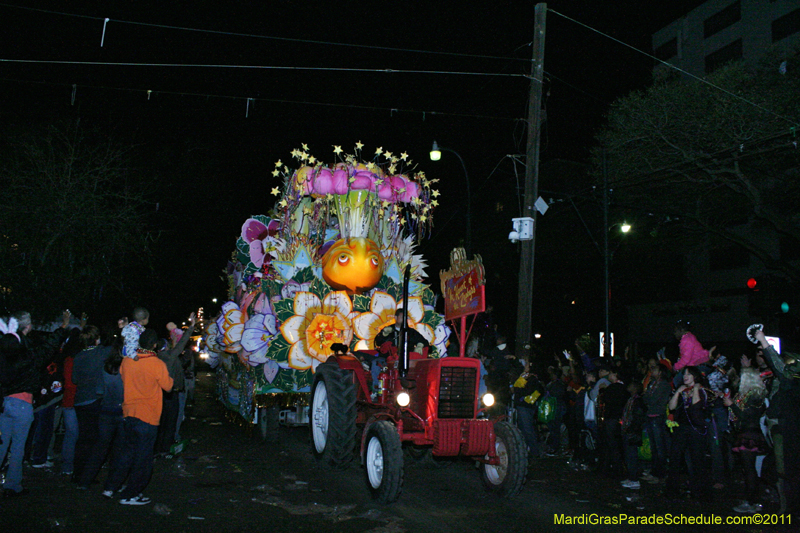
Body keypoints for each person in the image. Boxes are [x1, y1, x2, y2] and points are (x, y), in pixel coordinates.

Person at [0, 310, 71, 497]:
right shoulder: (27, 353)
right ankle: (12, 486)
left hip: (4, 403)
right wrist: (63, 327)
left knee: (2, 444)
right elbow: (48, 347)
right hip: (21, 404)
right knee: (17, 448)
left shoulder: (5, 350)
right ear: (28, 327)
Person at [103, 328, 174, 505]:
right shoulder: (156, 364)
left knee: (126, 454)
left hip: (129, 413)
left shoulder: (127, 361)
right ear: (155, 345)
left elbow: (123, 376)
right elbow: (169, 387)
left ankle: (111, 487)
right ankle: (130, 494)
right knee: (143, 460)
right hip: (148, 416)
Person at [749, 325, 800, 515]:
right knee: (781, 470)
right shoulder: (788, 383)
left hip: (788, 430)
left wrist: (763, 340)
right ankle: (786, 508)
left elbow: (782, 370)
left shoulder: (792, 382)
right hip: (781, 428)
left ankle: (789, 511)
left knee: (786, 471)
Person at [71, 325, 113, 482]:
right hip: (94, 400)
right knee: (95, 439)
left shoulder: (78, 356)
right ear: (96, 339)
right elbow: (117, 346)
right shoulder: (100, 353)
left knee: (83, 438)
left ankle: (78, 473)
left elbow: (74, 379)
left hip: (80, 401)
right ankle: (87, 475)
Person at [724, 366, 769, 513]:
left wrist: (732, 405)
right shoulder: (748, 395)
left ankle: (752, 501)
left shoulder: (755, 397)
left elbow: (747, 417)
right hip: (745, 433)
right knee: (748, 469)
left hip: (750, 436)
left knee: (750, 470)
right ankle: (752, 499)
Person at [79, 347, 125, 490]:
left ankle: (85, 481)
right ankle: (114, 484)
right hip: (121, 412)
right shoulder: (126, 370)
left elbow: (99, 391)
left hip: (105, 411)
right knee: (118, 450)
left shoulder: (104, 368)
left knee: (100, 448)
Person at [666, 365, 712, 503]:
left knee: (696, 460)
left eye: (688, 374)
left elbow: (696, 407)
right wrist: (678, 392)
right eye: (684, 374)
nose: (685, 377)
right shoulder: (681, 390)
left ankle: (698, 491)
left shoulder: (702, 390)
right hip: (681, 428)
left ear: (695, 377)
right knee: (675, 458)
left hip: (696, 429)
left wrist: (696, 388)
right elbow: (672, 407)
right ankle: (672, 489)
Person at [155, 314, 196, 455]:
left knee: (161, 421)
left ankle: (158, 448)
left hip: (159, 393)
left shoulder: (156, 357)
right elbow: (182, 343)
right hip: (172, 392)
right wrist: (191, 326)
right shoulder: (169, 356)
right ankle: (166, 448)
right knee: (171, 421)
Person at [641, 362, 671, 483]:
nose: (652, 371)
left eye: (655, 370)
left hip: (657, 416)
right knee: (654, 447)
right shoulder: (652, 384)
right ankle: (654, 472)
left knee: (659, 447)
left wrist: (647, 397)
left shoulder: (664, 385)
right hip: (650, 415)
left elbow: (652, 399)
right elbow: (646, 398)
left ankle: (660, 474)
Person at [512, 355, 543, 459]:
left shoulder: (532, 378)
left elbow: (527, 391)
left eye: (527, 364)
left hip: (526, 406)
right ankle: (526, 450)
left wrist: (517, 390)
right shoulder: (524, 376)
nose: (525, 365)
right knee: (523, 429)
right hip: (522, 406)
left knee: (528, 429)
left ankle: (535, 452)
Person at [620, 381, 646, 489]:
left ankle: (634, 479)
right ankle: (631, 477)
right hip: (628, 431)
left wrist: (631, 429)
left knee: (632, 456)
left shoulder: (637, 401)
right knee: (628, 455)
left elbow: (637, 418)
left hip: (632, 432)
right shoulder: (631, 400)